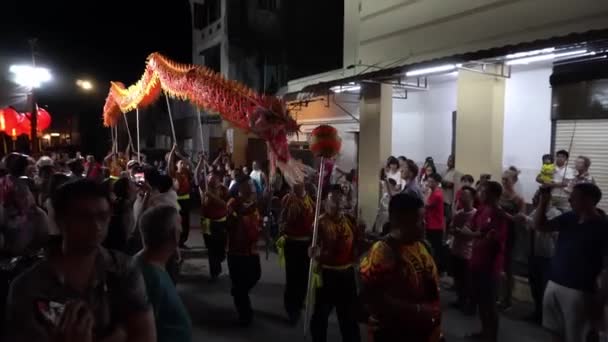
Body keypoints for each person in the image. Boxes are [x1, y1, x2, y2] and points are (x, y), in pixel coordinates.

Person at [4, 179, 156, 342]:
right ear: (60, 220)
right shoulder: (28, 286)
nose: (96, 225)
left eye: (103, 216)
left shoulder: (123, 268)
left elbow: (144, 334)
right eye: (84, 217)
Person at [360, 192, 442, 341]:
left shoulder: (422, 246)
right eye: (420, 220)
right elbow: (372, 297)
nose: (425, 224)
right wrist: (418, 310)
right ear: (401, 221)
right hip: (396, 332)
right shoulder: (384, 251)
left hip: (426, 331)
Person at [534, 183, 608, 342]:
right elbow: (540, 226)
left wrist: (600, 301)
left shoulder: (603, 226)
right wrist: (544, 202)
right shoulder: (569, 217)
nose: (569, 199)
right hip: (554, 283)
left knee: (577, 336)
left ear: (589, 200)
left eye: (574, 197)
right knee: (554, 332)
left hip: (580, 291)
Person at [309, 185, 361, 342]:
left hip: (347, 274)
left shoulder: (350, 221)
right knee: (321, 315)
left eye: (341, 197)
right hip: (327, 275)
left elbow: (357, 244)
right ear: (325, 202)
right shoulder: (319, 223)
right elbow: (312, 249)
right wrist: (313, 253)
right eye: (333, 198)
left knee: (349, 316)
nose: (338, 202)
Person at [136, 205, 192, 342]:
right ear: (174, 234)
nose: (182, 229)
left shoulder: (147, 264)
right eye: (180, 225)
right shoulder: (149, 278)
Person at [466, 181, 509, 342]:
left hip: (490, 266)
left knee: (490, 304)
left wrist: (477, 237)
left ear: (493, 194)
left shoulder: (499, 214)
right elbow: (473, 228)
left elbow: (494, 239)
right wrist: (477, 235)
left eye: (483, 191)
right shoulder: (482, 210)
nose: (479, 194)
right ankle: (484, 331)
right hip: (476, 260)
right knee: (481, 303)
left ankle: (492, 337)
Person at [514, 190, 560, 324]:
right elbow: (530, 226)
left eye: (536, 198)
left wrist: (526, 219)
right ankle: (537, 312)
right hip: (534, 253)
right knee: (535, 286)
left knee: (544, 286)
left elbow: (545, 228)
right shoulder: (535, 211)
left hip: (547, 256)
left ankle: (546, 317)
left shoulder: (555, 213)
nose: (534, 200)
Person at [226, 176, 262, 325]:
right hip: (237, 252)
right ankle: (245, 314)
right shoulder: (233, 203)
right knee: (240, 284)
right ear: (241, 189)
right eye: (249, 185)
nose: (253, 188)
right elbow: (230, 222)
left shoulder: (254, 204)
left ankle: (238, 293)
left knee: (255, 275)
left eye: (253, 185)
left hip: (252, 250)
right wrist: (242, 212)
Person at [279, 182, 314, 323]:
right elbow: (281, 219)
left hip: (306, 244)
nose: (295, 185)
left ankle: (299, 302)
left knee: (304, 276)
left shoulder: (311, 200)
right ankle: (291, 308)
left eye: (298, 182)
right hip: (292, 243)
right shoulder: (288, 199)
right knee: (292, 276)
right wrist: (284, 223)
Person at [497, 167, 525, 311]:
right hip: (495, 233)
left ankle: (507, 298)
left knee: (507, 268)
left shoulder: (518, 199)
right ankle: (497, 295)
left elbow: (521, 220)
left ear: (513, 181)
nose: (503, 182)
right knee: (496, 265)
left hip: (510, 234)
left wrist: (505, 215)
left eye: (506, 180)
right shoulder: (498, 195)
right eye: (502, 179)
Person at [449, 186, 477, 313]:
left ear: (472, 197)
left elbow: (473, 233)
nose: (461, 197)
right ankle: (460, 300)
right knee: (458, 278)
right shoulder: (459, 213)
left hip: (468, 251)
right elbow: (451, 229)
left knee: (468, 280)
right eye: (461, 194)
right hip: (457, 249)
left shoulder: (475, 214)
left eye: (465, 195)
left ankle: (469, 303)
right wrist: (456, 231)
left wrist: (460, 232)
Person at [200, 169, 229, 281]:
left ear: (218, 178)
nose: (211, 178)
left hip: (221, 222)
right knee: (211, 248)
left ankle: (220, 259)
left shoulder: (223, 190)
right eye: (209, 176)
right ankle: (214, 272)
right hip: (207, 223)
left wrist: (212, 196)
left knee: (220, 248)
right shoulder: (205, 189)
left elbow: (225, 205)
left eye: (213, 176)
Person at [168, 144, 193, 249]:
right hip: (177, 200)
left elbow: (190, 164)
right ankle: (176, 241)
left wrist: (181, 156)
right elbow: (169, 165)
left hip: (186, 200)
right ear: (177, 165)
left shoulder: (186, 173)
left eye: (183, 163)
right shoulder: (175, 174)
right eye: (181, 163)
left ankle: (182, 241)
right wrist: (172, 152)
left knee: (186, 222)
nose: (183, 164)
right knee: (179, 221)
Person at [103, 177, 136, 252]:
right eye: (132, 184)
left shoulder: (119, 202)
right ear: (128, 190)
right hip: (123, 248)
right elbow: (129, 230)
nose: (135, 184)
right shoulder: (126, 205)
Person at [424, 173, 445, 268]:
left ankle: (436, 268)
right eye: (428, 181)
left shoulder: (436, 194)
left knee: (435, 248)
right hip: (431, 223)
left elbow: (425, 204)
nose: (429, 183)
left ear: (437, 183)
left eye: (431, 181)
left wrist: (426, 193)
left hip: (435, 225)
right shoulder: (434, 192)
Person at [441, 155, 461, 226]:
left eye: (451, 160)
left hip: (448, 202)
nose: (449, 161)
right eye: (448, 159)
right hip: (442, 199)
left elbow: (453, 186)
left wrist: (443, 183)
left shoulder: (456, 173)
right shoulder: (444, 171)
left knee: (448, 221)